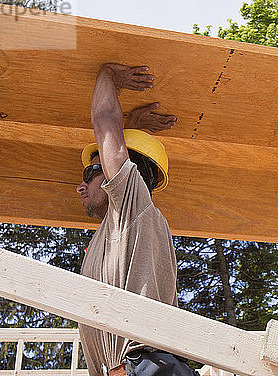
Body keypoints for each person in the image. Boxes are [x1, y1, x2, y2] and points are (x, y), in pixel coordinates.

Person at [76, 63, 198, 376]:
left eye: (93, 171)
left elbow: (105, 122)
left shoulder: (133, 206)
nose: (81, 185)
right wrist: (134, 127)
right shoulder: (121, 226)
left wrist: (107, 76)